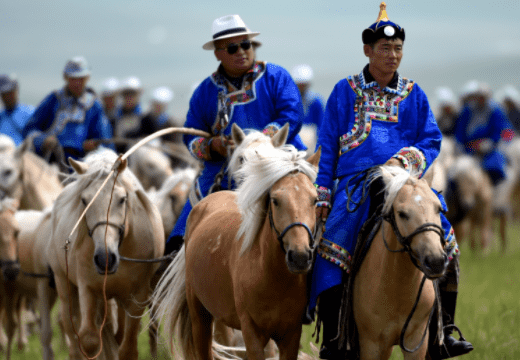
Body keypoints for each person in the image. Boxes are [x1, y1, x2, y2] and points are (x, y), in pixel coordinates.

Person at [308, 3, 473, 359]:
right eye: (385, 48)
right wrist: (323, 192)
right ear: (368, 50)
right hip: (356, 183)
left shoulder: (414, 93)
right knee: (332, 246)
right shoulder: (344, 90)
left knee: (445, 237)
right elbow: (327, 144)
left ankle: (444, 332)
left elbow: (430, 139)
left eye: (398, 48)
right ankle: (337, 338)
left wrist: (406, 160)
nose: (392, 55)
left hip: (405, 180)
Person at [164, 14, 306, 255]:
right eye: (232, 47)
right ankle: (178, 258)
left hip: (280, 161)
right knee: (188, 224)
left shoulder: (276, 76)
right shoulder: (205, 92)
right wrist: (213, 146)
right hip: (225, 169)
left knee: (317, 201)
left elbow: (292, 115)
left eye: (246, 44)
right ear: (218, 53)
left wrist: (258, 143)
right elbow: (191, 136)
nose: (241, 51)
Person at [22, 56, 112, 165]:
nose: (77, 83)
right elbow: (29, 130)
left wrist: (94, 146)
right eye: (73, 78)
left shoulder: (94, 105)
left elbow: (105, 142)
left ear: (87, 78)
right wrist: (43, 140)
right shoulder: (53, 99)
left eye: (81, 79)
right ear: (65, 77)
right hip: (50, 162)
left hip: (82, 164)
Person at [454, 82, 514, 186]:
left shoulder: (495, 110)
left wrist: (490, 143)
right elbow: (460, 131)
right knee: (456, 171)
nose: (480, 99)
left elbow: (499, 130)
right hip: (469, 149)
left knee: (496, 168)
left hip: (490, 149)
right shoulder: (467, 111)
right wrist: (460, 144)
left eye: (483, 97)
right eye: (478, 97)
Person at [0, 74, 35, 153]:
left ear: (16, 90)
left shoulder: (31, 113)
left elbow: (38, 138)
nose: (7, 97)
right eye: (4, 94)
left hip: (24, 158)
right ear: (0, 95)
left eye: (10, 92)